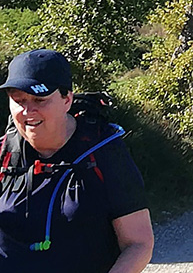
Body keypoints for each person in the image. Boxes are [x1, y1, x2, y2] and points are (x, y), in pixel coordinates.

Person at [0, 49, 153, 273]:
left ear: (67, 99)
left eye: (40, 100)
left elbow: (139, 243)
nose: (28, 110)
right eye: (19, 100)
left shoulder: (102, 151)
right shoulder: (4, 153)